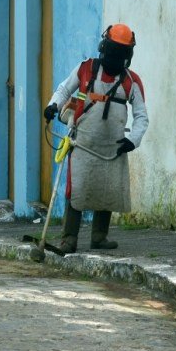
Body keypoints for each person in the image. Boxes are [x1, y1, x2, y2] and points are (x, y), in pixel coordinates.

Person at [43, 23, 149, 253]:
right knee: (77, 190)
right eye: (113, 51)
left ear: (127, 55)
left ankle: (99, 237)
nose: (114, 57)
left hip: (114, 146)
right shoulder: (86, 69)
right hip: (82, 143)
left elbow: (142, 117)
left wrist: (134, 140)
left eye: (120, 53)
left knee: (107, 190)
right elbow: (64, 90)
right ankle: (69, 239)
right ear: (104, 47)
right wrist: (53, 106)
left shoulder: (132, 81)